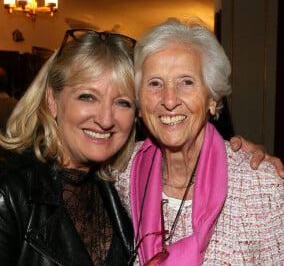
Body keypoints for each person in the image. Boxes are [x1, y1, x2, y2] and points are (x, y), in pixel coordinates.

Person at [115, 18, 284, 265]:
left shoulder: (261, 186)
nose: (170, 100)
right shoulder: (119, 173)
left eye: (187, 82)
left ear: (211, 99)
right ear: (140, 103)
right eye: (155, 83)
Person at [0, 29, 137, 265]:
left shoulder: (121, 189)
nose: (106, 120)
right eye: (87, 97)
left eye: (123, 102)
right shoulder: (3, 192)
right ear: (52, 100)